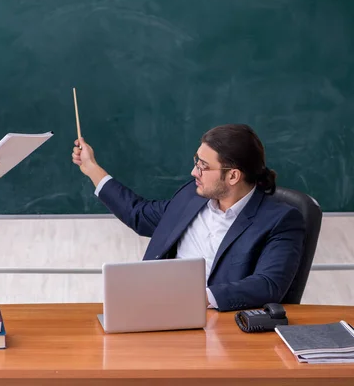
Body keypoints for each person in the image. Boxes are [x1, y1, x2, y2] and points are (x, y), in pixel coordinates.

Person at [72, 124, 306, 311]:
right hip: (155, 308)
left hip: (219, 324)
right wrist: (91, 167)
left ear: (233, 176)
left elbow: (268, 284)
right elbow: (139, 214)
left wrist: (196, 298)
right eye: (196, 161)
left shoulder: (280, 221)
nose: (194, 172)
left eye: (203, 166)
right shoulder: (192, 196)